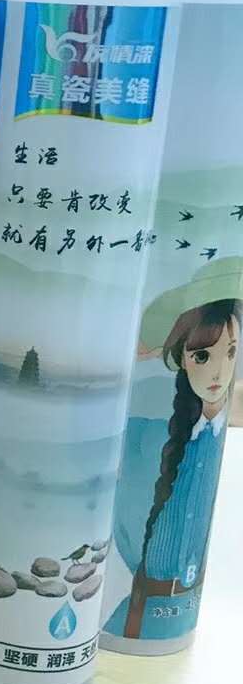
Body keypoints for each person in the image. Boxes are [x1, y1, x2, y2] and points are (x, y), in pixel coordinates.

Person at [106, 263, 239, 642]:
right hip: (133, 603)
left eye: (231, 352)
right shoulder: (146, 433)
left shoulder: (210, 438)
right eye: (202, 356)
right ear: (182, 358)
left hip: (176, 608)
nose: (219, 371)